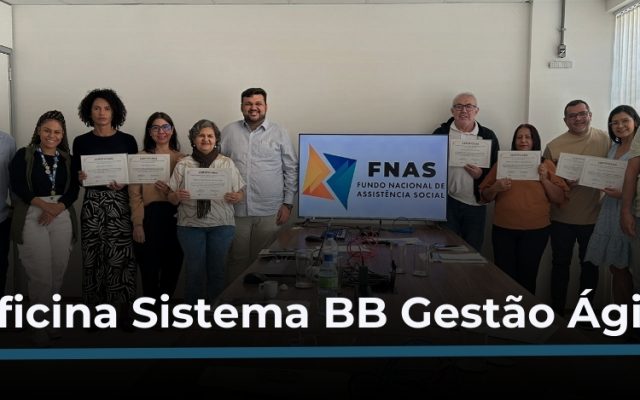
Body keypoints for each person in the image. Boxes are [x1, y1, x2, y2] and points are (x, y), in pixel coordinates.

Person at [9, 110, 79, 344]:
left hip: (61, 214)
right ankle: (38, 324)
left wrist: (56, 208)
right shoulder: (24, 155)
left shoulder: (67, 158)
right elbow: (18, 185)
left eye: (57, 132)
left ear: (63, 135)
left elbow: (73, 190)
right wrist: (44, 206)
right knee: (40, 275)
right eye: (47, 130)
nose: (52, 135)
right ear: (39, 130)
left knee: (57, 271)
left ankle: (51, 321)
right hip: (32, 214)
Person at [72, 88, 138, 328]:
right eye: (97, 108)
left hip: (120, 204)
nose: (102, 113)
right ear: (89, 112)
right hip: (92, 204)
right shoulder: (80, 141)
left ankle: (124, 312)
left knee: (121, 258)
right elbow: (76, 178)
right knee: (93, 258)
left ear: (114, 112)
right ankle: (95, 313)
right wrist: (80, 177)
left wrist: (125, 182)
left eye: (107, 108)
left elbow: (135, 175)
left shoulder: (127, 140)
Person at [220, 88, 298, 284]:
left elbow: (291, 169)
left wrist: (288, 204)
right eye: (248, 104)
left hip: (270, 211)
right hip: (236, 210)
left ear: (266, 106)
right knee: (236, 259)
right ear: (241, 107)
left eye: (258, 104)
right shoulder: (228, 131)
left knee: (265, 260)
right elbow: (218, 166)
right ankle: (234, 300)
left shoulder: (279, 132)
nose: (253, 108)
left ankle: (260, 300)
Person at [479, 124, 567, 294]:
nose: (523, 140)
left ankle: (525, 311)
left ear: (535, 140)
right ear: (514, 141)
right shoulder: (503, 162)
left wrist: (544, 179)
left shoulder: (546, 164)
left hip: (536, 231)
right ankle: (506, 311)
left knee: (527, 278)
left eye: (528, 137)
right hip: (503, 230)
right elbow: (485, 196)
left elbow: (560, 198)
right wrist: (496, 187)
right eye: (519, 137)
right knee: (504, 278)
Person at [543, 99, 610, 315]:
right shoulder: (554, 146)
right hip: (561, 218)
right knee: (560, 265)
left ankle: (585, 315)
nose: (578, 119)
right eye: (572, 116)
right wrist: (562, 183)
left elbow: (616, 170)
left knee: (590, 266)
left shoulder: (606, 139)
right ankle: (557, 314)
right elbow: (545, 183)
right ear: (565, 120)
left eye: (582, 114)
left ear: (590, 115)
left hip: (593, 217)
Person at [168, 119, 245, 305]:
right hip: (190, 226)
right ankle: (193, 314)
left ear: (216, 139)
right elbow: (170, 197)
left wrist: (237, 196)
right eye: (201, 135)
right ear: (194, 140)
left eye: (210, 136)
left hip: (222, 226)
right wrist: (176, 195)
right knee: (194, 272)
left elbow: (241, 192)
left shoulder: (226, 163)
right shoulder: (183, 164)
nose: (206, 139)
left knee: (217, 271)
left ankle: (214, 312)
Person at [585, 106, 638, 311]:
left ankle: (632, 321)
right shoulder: (613, 148)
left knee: (631, 269)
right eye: (615, 122)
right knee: (616, 268)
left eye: (625, 121)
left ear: (635, 122)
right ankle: (621, 318)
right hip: (610, 210)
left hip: (630, 210)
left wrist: (622, 195)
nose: (620, 126)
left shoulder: (638, 149)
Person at [432, 92, 499, 252]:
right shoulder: (441, 133)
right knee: (445, 250)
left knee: (472, 252)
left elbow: (497, 170)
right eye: (459, 106)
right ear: (452, 111)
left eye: (469, 106)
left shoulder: (487, 135)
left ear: (476, 111)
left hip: (475, 204)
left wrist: (481, 175)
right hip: (446, 203)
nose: (464, 110)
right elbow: (428, 165)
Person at [129, 112, 184, 300]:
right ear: (149, 132)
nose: (161, 132)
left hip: (175, 218)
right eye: (156, 127)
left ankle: (163, 309)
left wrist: (170, 191)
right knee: (149, 270)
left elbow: (186, 195)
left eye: (165, 127)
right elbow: (135, 195)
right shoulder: (139, 157)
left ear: (172, 130)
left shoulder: (182, 159)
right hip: (148, 218)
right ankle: (149, 309)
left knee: (172, 268)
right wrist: (137, 224)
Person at [0, 129, 15, 297]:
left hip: (1, 218)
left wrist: (16, 209)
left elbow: (12, 180)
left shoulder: (8, 141)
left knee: (1, 268)